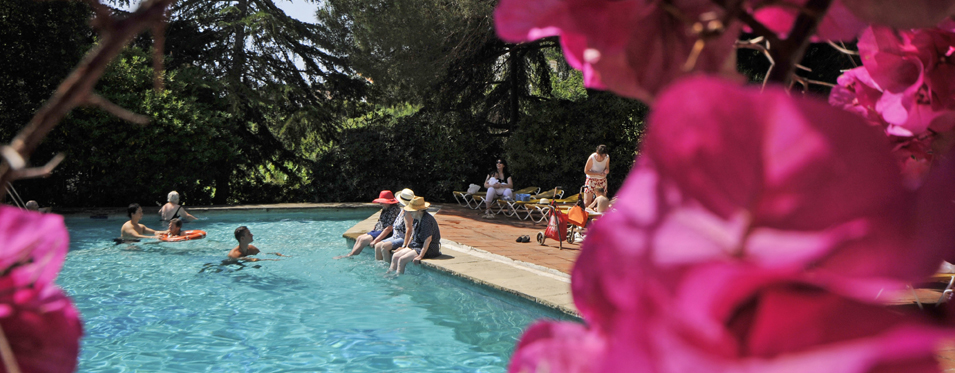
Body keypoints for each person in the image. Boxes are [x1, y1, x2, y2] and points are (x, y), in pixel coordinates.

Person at [334, 190, 402, 259]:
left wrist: (376, 240)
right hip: (378, 230)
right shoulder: (386, 208)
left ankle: (350, 256)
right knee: (360, 238)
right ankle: (351, 254)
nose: (380, 204)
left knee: (364, 240)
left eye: (382, 202)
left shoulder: (394, 210)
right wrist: (371, 232)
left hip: (384, 232)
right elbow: (380, 222)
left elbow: (388, 228)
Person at [389, 196, 441, 275]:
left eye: (412, 211)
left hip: (429, 248)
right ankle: (389, 274)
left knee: (402, 260)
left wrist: (420, 256)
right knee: (395, 256)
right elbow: (413, 233)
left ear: (419, 210)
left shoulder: (426, 221)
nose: (410, 213)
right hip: (417, 245)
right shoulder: (417, 217)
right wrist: (406, 247)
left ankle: (398, 280)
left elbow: (428, 240)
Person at [375, 188, 415, 262]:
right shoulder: (403, 209)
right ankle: (379, 265)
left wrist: (404, 246)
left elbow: (409, 230)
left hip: (402, 238)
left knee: (384, 246)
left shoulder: (408, 213)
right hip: (396, 236)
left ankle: (387, 265)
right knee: (377, 245)